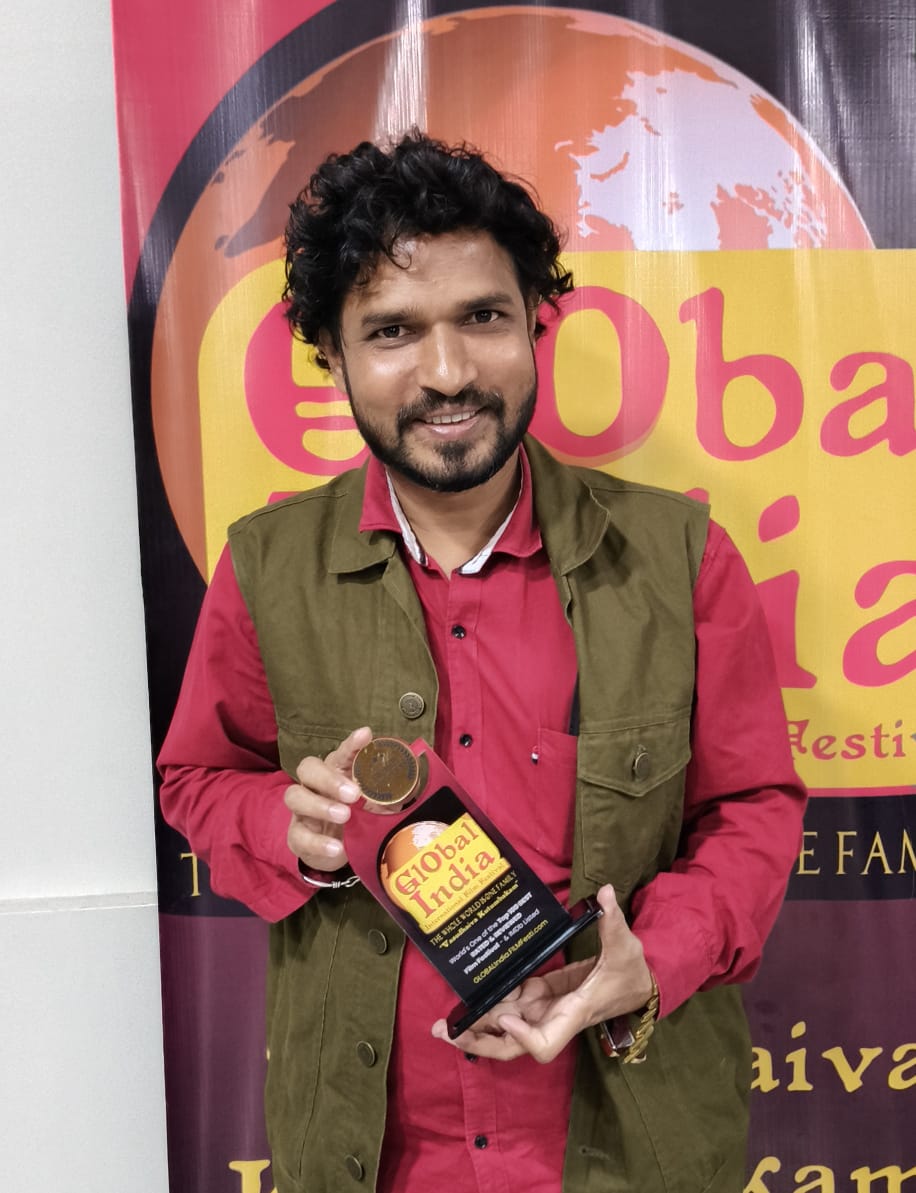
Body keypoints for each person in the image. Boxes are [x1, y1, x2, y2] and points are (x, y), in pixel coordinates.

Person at [159, 132, 806, 1193]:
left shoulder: (679, 555)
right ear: (331, 355)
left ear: (536, 321)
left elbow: (754, 806)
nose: (449, 372)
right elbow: (197, 777)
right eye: (392, 331)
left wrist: (655, 955)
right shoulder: (266, 566)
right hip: (368, 1162)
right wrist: (289, 829)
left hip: (629, 1155)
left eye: (483, 317)